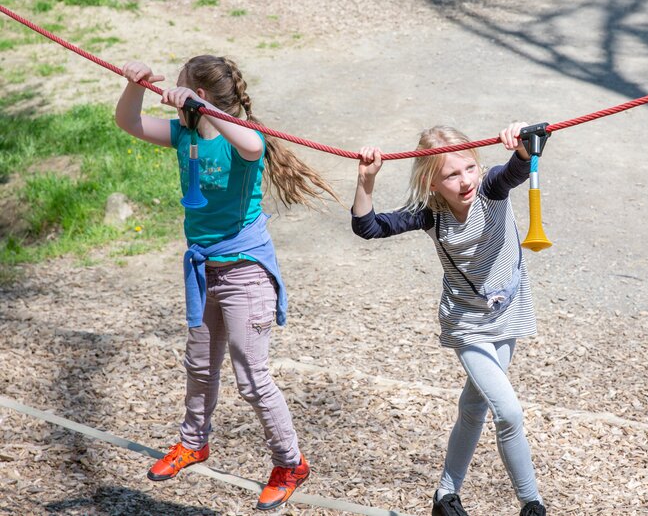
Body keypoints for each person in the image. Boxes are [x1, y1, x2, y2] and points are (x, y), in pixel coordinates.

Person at [115, 55, 338, 511]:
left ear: (207, 101)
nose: (174, 99)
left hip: (245, 271)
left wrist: (203, 105)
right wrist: (134, 85)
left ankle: (290, 462)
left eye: (183, 92)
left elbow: (254, 148)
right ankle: (192, 442)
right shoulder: (183, 134)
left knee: (252, 377)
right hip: (203, 270)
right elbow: (130, 121)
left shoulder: (243, 137)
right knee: (199, 366)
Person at [351, 123, 547, 516]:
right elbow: (368, 227)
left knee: (475, 405)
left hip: (508, 311)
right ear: (432, 183)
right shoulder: (431, 215)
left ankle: (445, 495)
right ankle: (532, 503)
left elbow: (518, 167)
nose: (464, 181)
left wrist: (523, 146)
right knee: (507, 411)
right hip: (467, 324)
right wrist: (366, 182)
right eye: (450, 175)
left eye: (468, 169)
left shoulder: (491, 187)